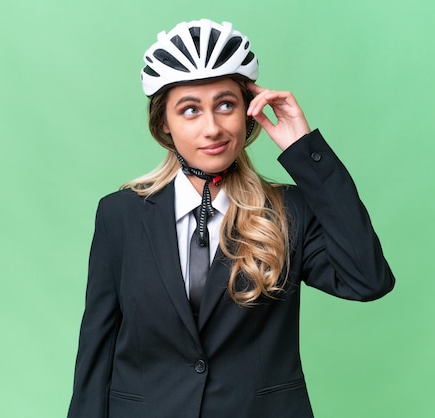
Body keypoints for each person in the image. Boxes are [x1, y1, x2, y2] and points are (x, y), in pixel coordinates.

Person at [67, 19, 395, 418]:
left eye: (226, 105)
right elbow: (97, 345)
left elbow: (367, 280)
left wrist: (304, 150)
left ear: (249, 114)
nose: (213, 128)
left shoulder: (289, 211)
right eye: (189, 110)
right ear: (164, 126)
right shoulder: (120, 215)